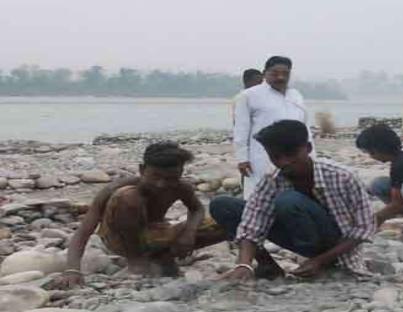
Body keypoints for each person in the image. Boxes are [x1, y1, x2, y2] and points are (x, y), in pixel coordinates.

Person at [211, 120, 375, 280]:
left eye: (291, 155)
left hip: (334, 243)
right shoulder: (272, 179)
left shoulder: (343, 176)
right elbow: (253, 222)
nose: (284, 162)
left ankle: (327, 262)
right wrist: (244, 264)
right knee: (223, 205)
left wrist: (320, 261)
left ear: (308, 148)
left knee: (288, 200)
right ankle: (268, 266)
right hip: (298, 238)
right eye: (275, 157)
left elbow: (363, 228)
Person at [51, 142, 227, 288]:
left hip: (156, 235)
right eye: (155, 176)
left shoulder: (181, 187)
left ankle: (163, 257)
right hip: (119, 240)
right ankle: (136, 260)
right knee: (128, 197)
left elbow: (196, 209)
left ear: (180, 173)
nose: (161, 184)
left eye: (171, 178)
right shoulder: (116, 189)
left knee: (225, 221)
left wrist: (188, 233)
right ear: (142, 170)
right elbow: (83, 231)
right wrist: (72, 269)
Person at [234, 56, 314, 199]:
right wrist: (242, 158)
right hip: (262, 155)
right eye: (275, 73)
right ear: (265, 73)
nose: (281, 77)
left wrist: (311, 154)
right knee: (259, 195)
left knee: (295, 193)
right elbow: (241, 128)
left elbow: (305, 126)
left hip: (295, 155)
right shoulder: (249, 96)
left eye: (285, 73)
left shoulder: (295, 95)